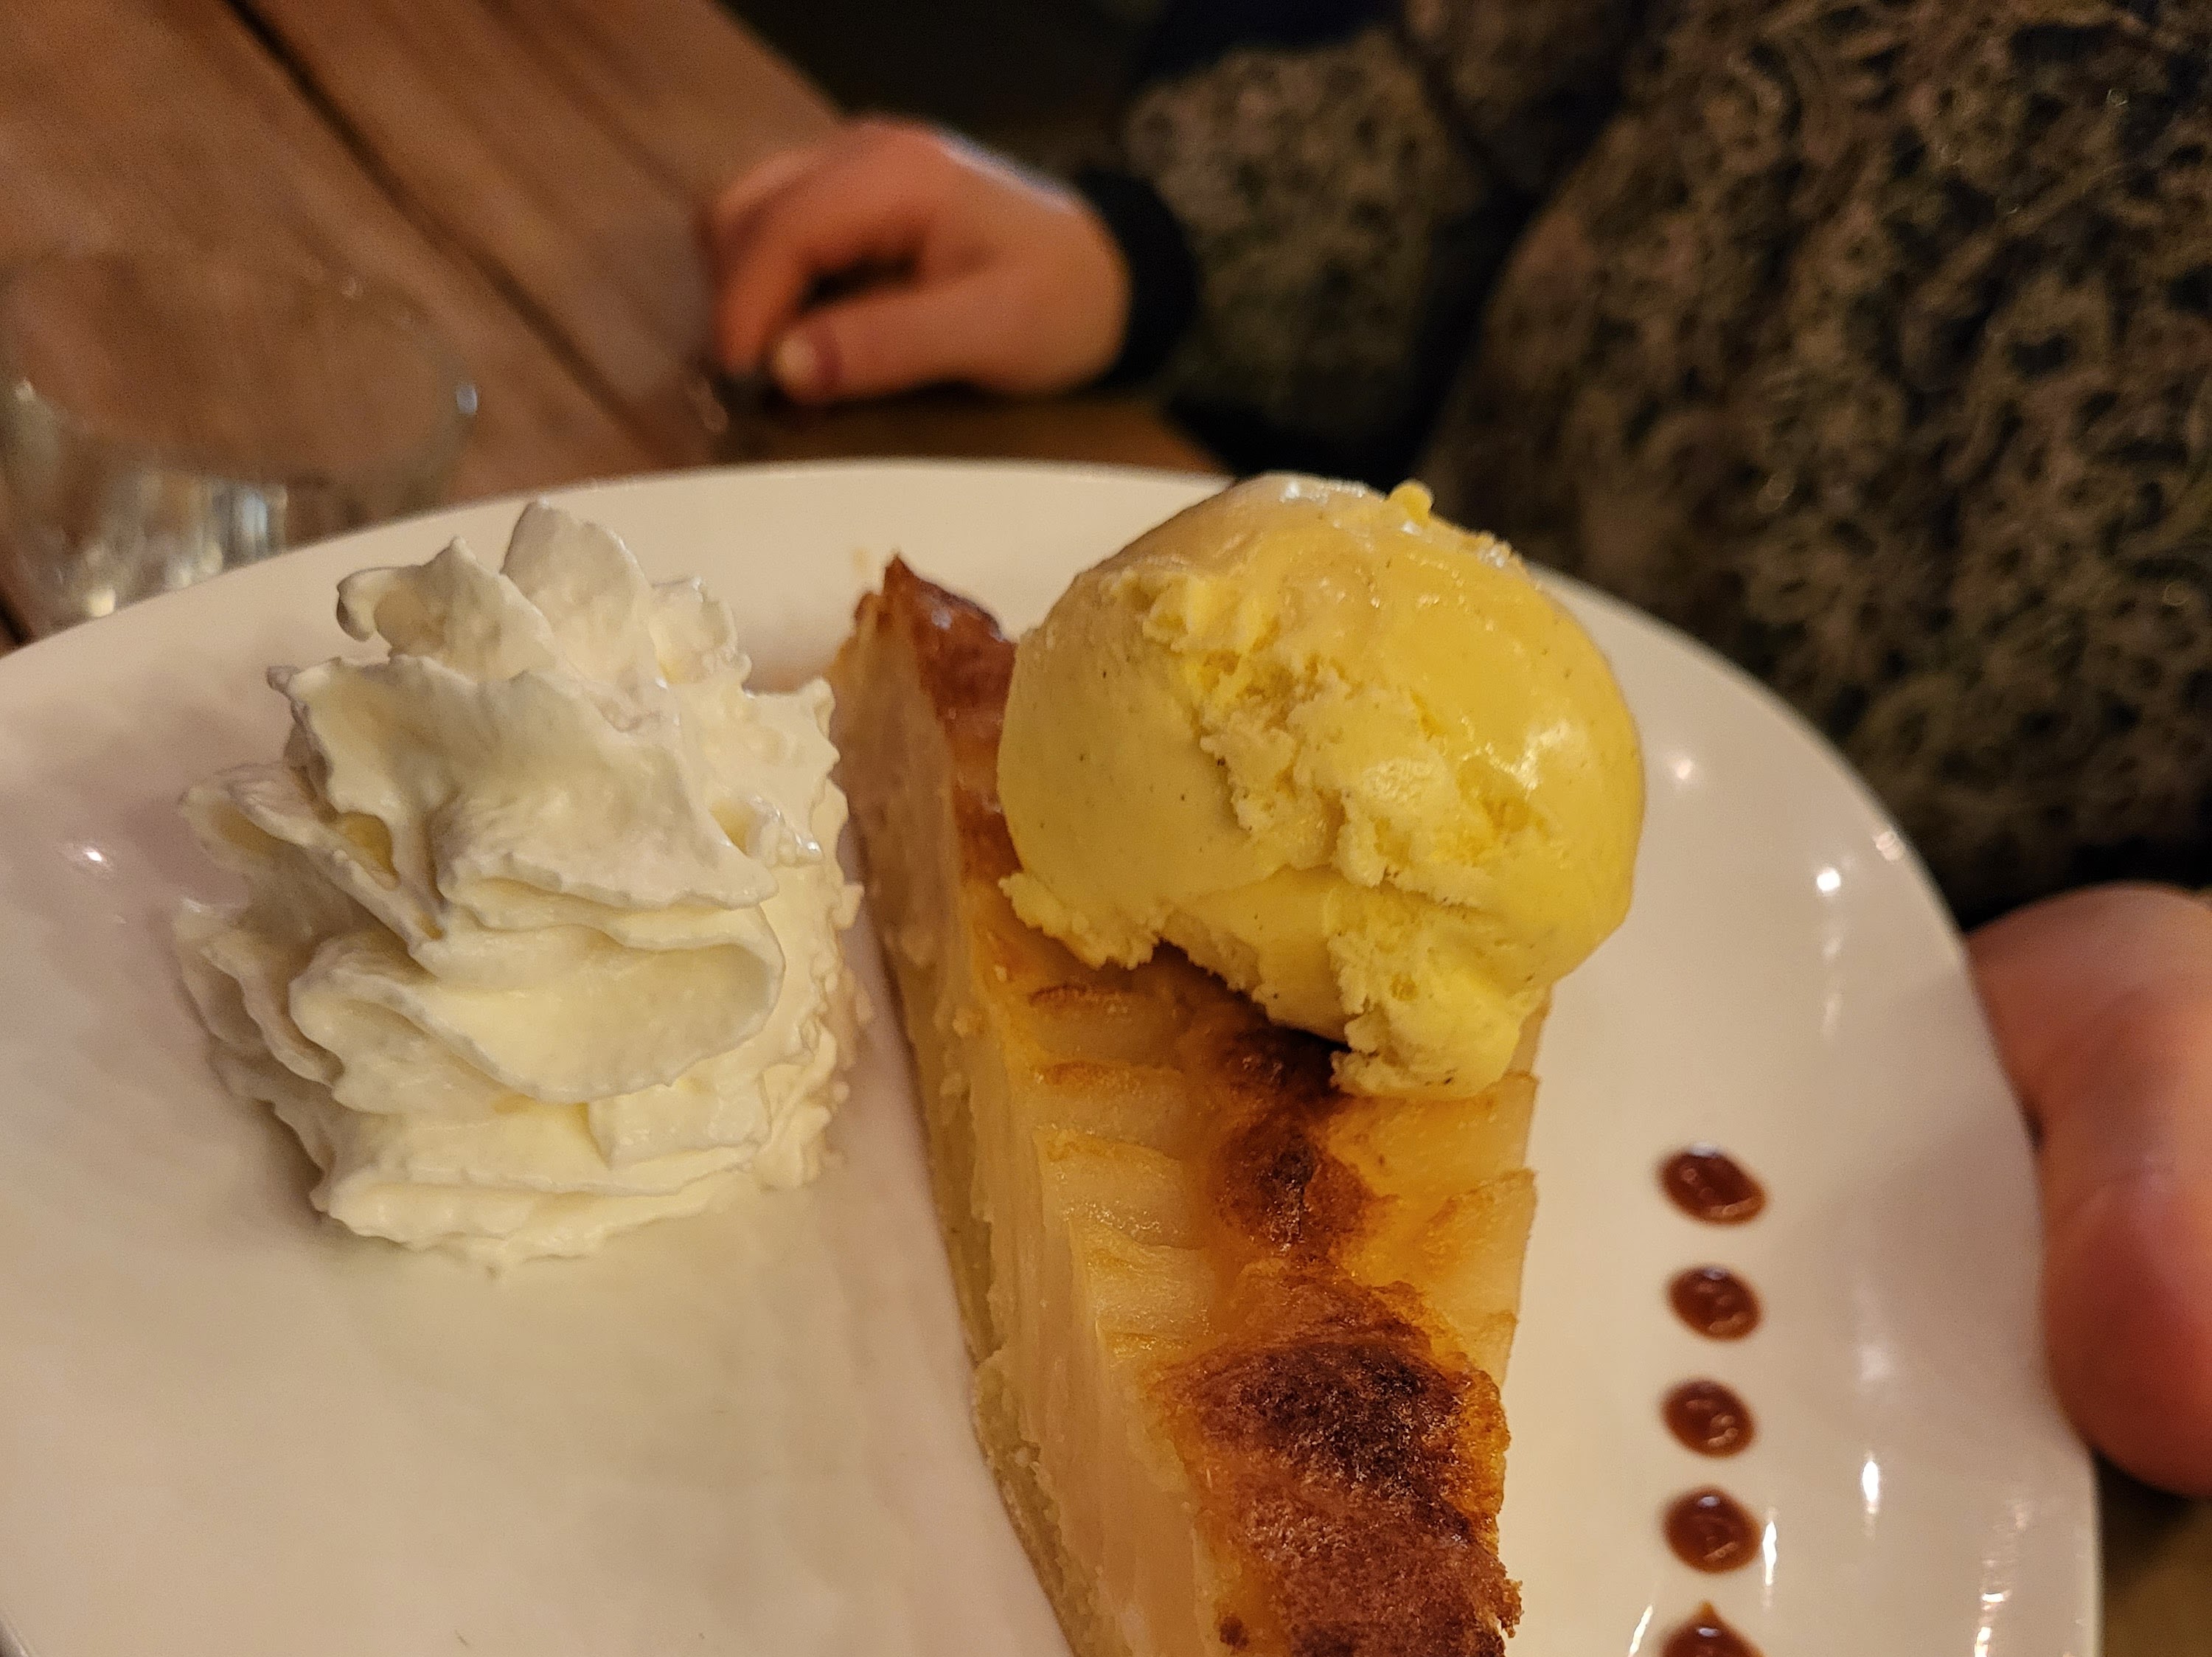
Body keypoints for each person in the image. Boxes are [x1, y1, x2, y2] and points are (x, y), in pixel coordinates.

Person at [700, 2, 2212, 1493]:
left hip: (2029, 986)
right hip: (1387, 579)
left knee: (1338, 1507)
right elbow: (1495, 97)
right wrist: (1159, 248)